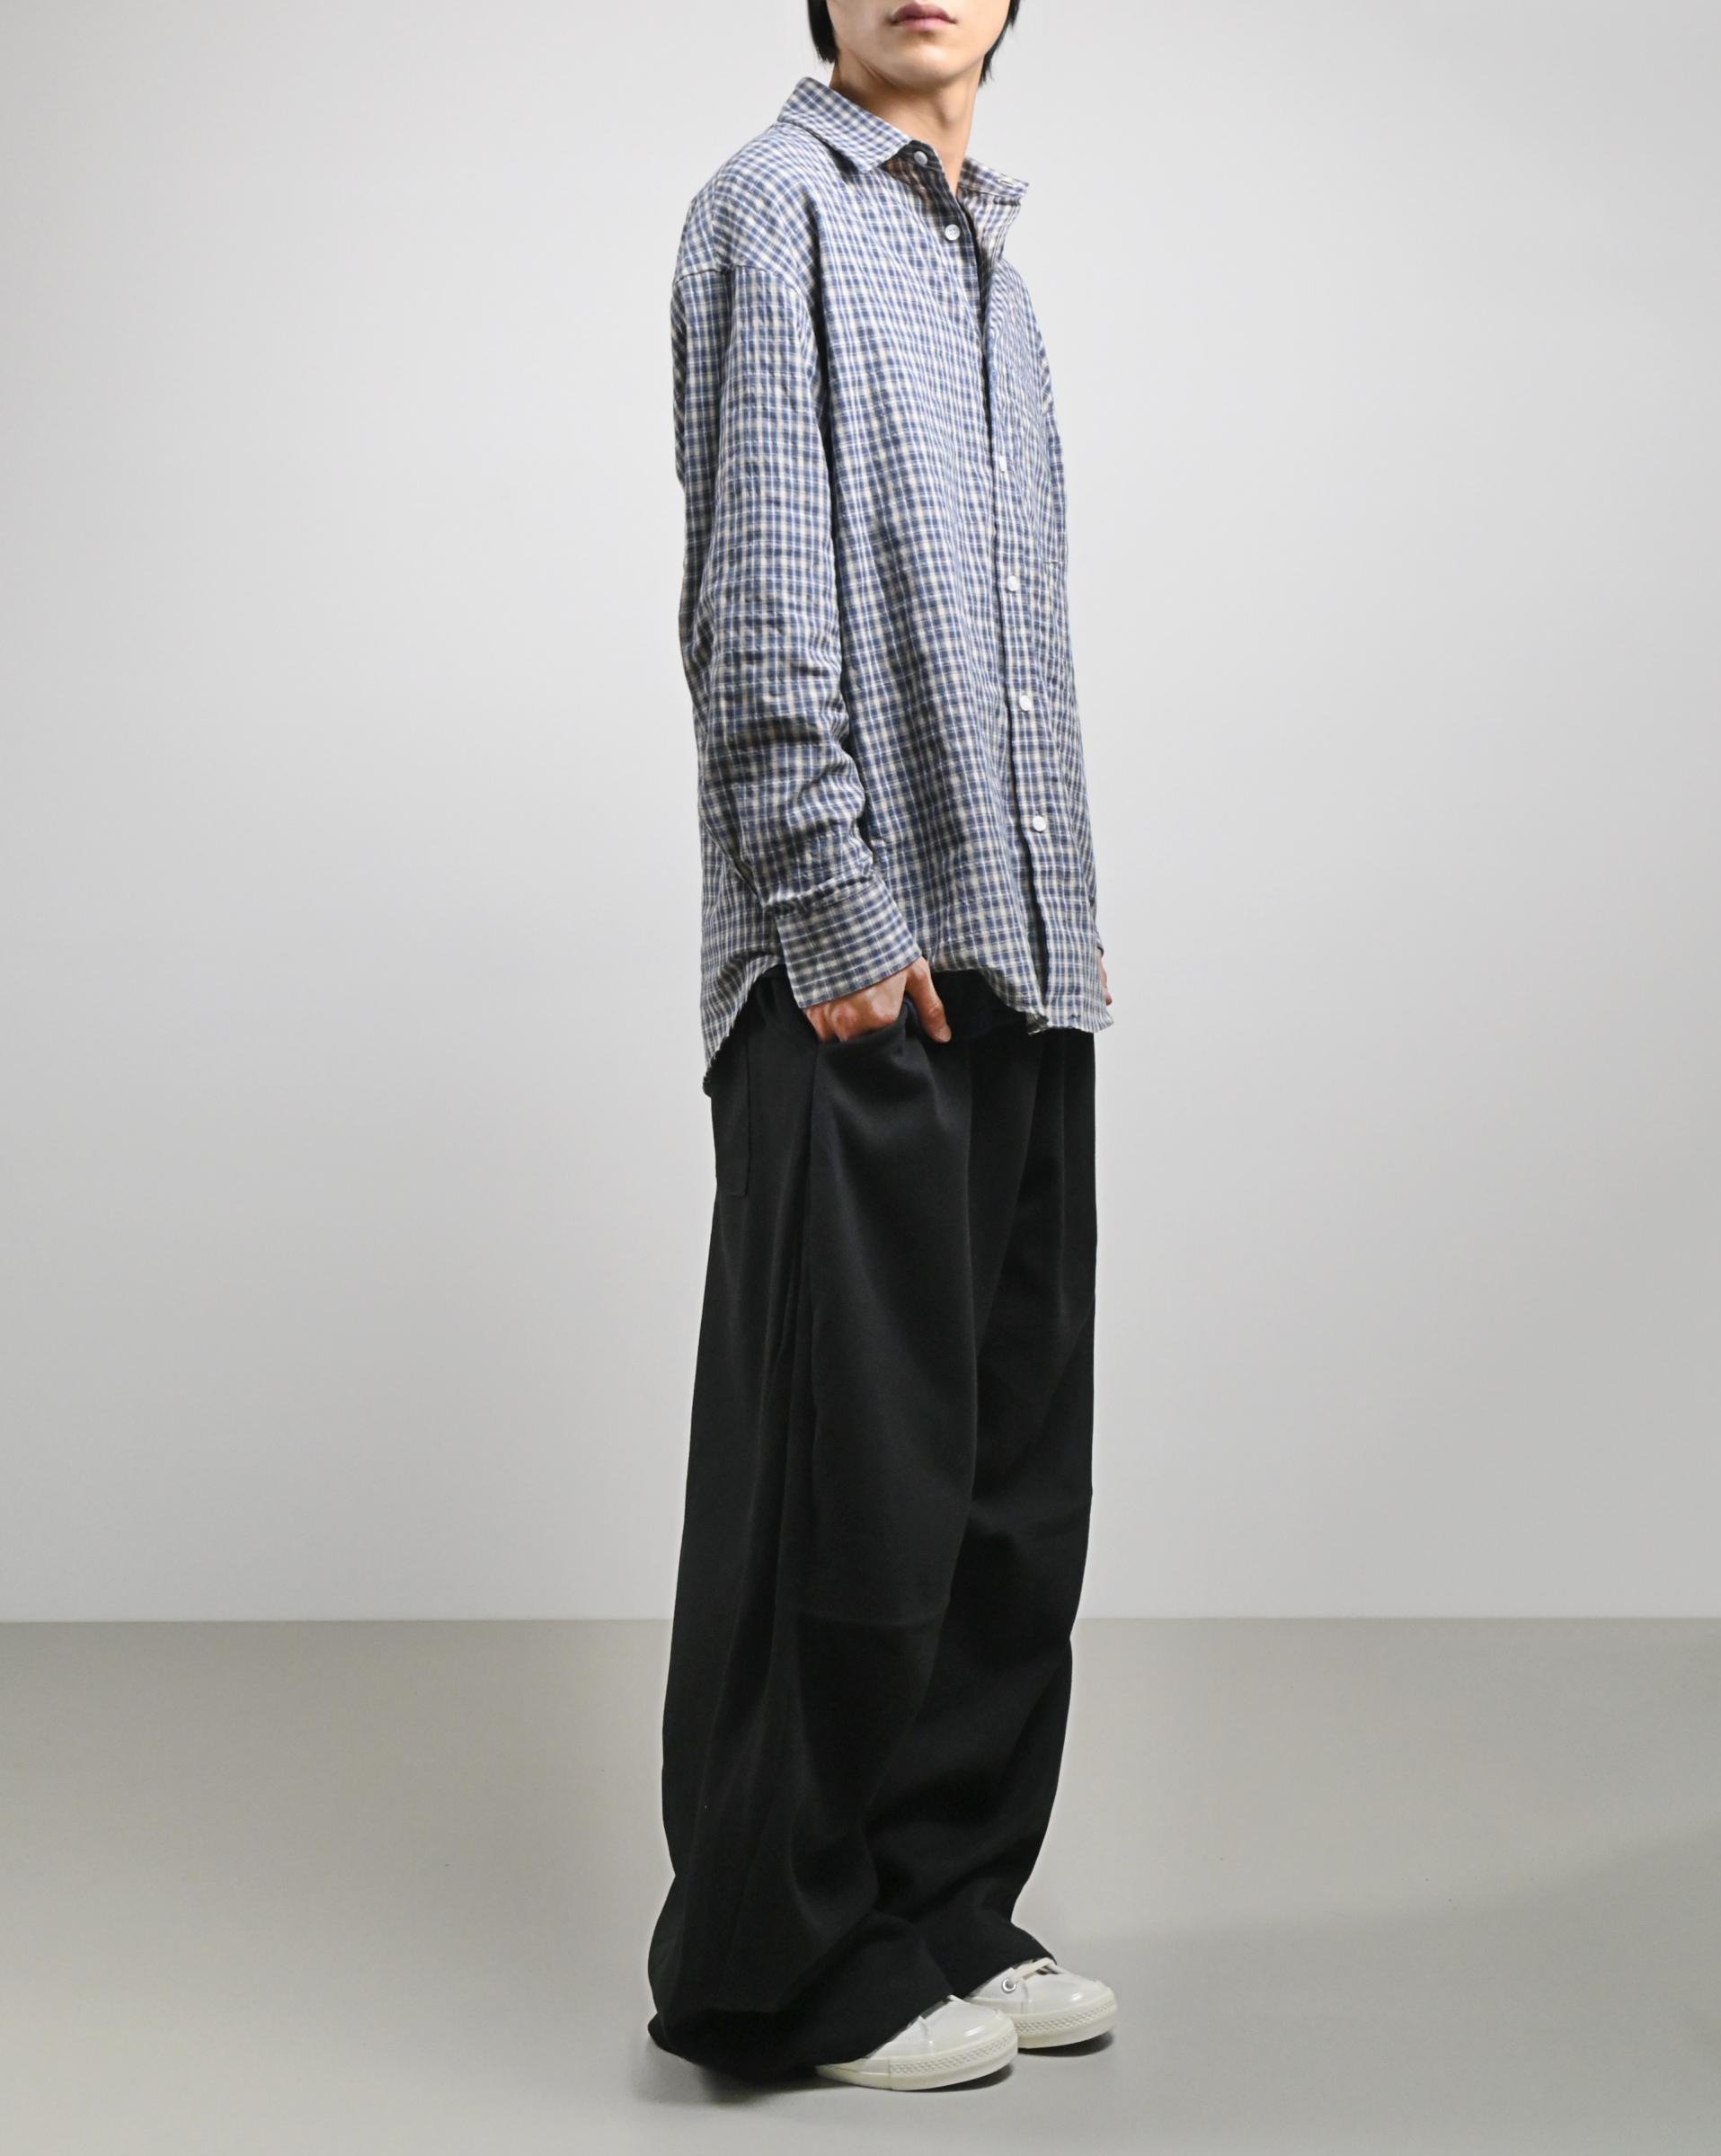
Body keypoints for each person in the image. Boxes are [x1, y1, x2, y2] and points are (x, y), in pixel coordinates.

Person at [646, 0, 1116, 2091]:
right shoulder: (776, 211)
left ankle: (937, 1903)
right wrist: (826, 906)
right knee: (843, 1486)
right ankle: (780, 1969)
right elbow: (751, 582)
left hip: (1022, 950)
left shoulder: (989, 262)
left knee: (1004, 1490)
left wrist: (1056, 933)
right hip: (862, 959)